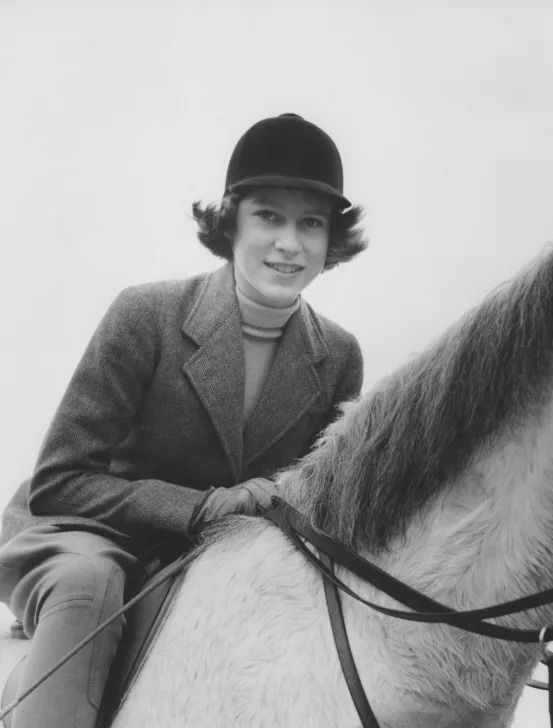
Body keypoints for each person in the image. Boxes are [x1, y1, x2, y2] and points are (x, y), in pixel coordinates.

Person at [0, 113, 366, 728]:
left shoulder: (340, 354)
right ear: (230, 221)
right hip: (87, 535)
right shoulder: (145, 314)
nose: (290, 243)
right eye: (269, 217)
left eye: (311, 223)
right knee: (91, 587)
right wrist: (200, 508)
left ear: (332, 240)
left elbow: (317, 496)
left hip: (222, 558)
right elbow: (60, 480)